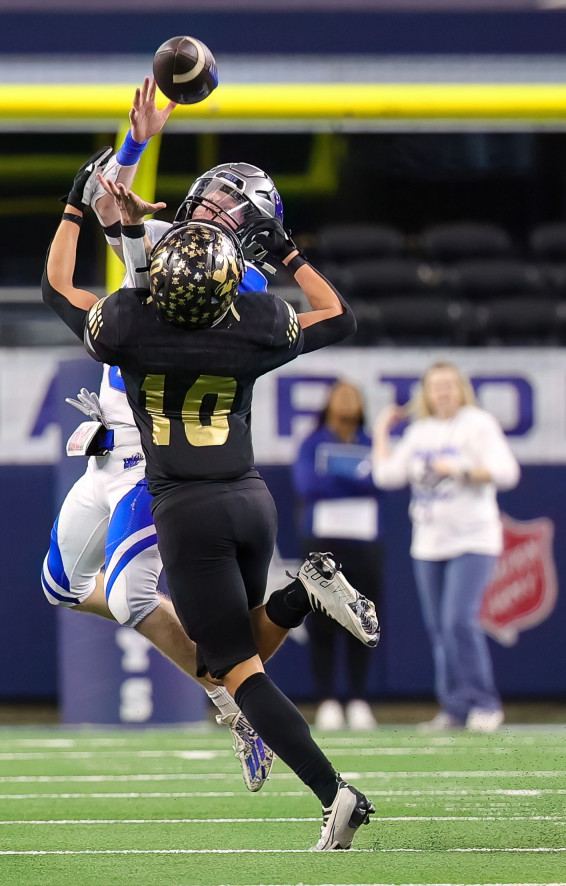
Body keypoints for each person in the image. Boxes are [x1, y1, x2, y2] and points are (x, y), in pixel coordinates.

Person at [42, 170, 379, 850]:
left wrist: (85, 209)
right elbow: (338, 316)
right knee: (241, 649)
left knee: (237, 669)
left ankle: (335, 793)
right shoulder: (254, 321)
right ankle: (299, 596)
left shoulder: (129, 329)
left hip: (184, 506)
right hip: (249, 499)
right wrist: (287, 251)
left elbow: (58, 290)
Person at [42, 79, 276, 792]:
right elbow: (79, 255)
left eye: (226, 210)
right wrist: (126, 156)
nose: (205, 217)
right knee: (60, 585)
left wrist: (112, 204)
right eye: (209, 201)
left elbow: (114, 229)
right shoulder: (161, 259)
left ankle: (231, 696)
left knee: (129, 596)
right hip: (107, 456)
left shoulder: (241, 288)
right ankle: (230, 675)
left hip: (159, 459)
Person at [371, 361, 520, 734]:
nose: (442, 392)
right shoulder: (420, 431)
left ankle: (485, 703)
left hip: (473, 538)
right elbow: (387, 476)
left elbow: (507, 472)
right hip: (429, 543)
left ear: (462, 389)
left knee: (459, 621)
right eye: (435, 386)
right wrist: (381, 432)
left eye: (449, 385)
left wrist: (461, 470)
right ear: (426, 392)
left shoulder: (478, 424)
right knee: (440, 629)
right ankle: (453, 708)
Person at [292, 380, 383, 732]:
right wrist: (359, 478)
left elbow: (383, 480)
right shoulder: (313, 442)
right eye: (340, 394)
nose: (347, 400)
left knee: (364, 620)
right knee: (323, 622)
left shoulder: (371, 442)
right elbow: (308, 485)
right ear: (327, 403)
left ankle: (359, 699)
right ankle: (327, 700)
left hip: (365, 543)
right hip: (322, 544)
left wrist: (336, 477)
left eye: (354, 394)